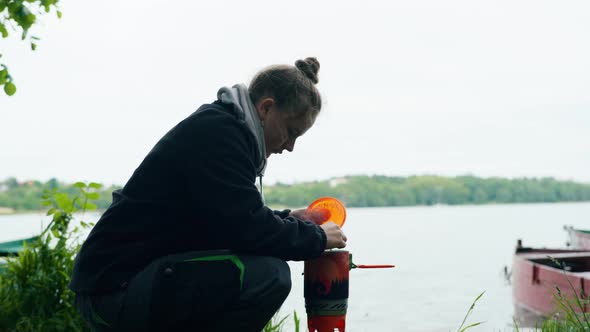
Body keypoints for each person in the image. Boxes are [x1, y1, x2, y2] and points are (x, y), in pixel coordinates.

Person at [69, 57, 348, 332]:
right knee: (269, 275)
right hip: (113, 291)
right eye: (290, 132)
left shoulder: (228, 130)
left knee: (261, 267)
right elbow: (246, 228)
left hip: (127, 282)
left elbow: (226, 219)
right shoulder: (220, 135)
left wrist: (287, 218)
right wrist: (318, 238)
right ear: (266, 108)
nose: (290, 147)